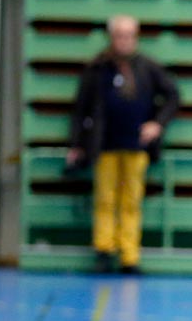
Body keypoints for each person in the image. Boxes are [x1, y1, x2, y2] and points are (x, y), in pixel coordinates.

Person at [65, 15, 180, 275]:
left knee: (131, 202)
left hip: (136, 146)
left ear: (136, 37)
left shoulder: (148, 67)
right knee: (105, 200)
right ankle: (104, 250)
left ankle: (129, 255)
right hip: (104, 146)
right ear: (112, 37)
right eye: (119, 35)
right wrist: (77, 144)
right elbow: (80, 108)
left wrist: (157, 123)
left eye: (129, 35)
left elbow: (173, 95)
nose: (124, 40)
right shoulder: (97, 68)